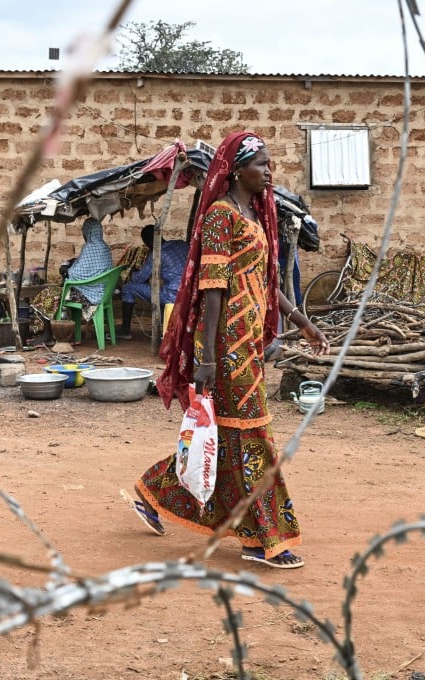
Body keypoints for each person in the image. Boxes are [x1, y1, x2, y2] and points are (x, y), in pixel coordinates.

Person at [129, 131, 329, 570]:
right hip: (224, 346)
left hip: (249, 345)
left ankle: (154, 490)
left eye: (269, 163)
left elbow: (269, 286)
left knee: (227, 439)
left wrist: (305, 325)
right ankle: (262, 539)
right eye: (261, 163)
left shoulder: (255, 217)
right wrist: (207, 358)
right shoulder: (221, 216)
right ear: (237, 168)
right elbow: (213, 288)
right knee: (252, 436)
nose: (268, 171)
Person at [30, 217, 112, 345]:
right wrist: (75, 263)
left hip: (87, 295)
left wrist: (66, 268)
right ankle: (52, 333)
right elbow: (88, 267)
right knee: (54, 291)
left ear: (88, 232)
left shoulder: (90, 247)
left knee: (48, 293)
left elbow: (75, 274)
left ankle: (47, 335)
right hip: (101, 292)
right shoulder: (104, 247)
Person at [119, 224, 189, 340]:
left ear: (148, 243)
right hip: (189, 290)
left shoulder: (156, 254)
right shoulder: (181, 244)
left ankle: (125, 330)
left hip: (172, 295)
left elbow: (139, 279)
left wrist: (133, 272)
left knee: (128, 287)